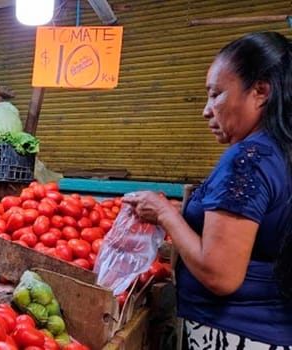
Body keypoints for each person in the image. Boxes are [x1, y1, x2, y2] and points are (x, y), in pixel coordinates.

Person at [122, 31, 292, 349]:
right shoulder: (281, 151)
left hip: (234, 334)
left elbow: (220, 276)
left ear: (261, 91)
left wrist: (163, 214)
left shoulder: (249, 159)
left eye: (216, 95)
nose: (206, 110)